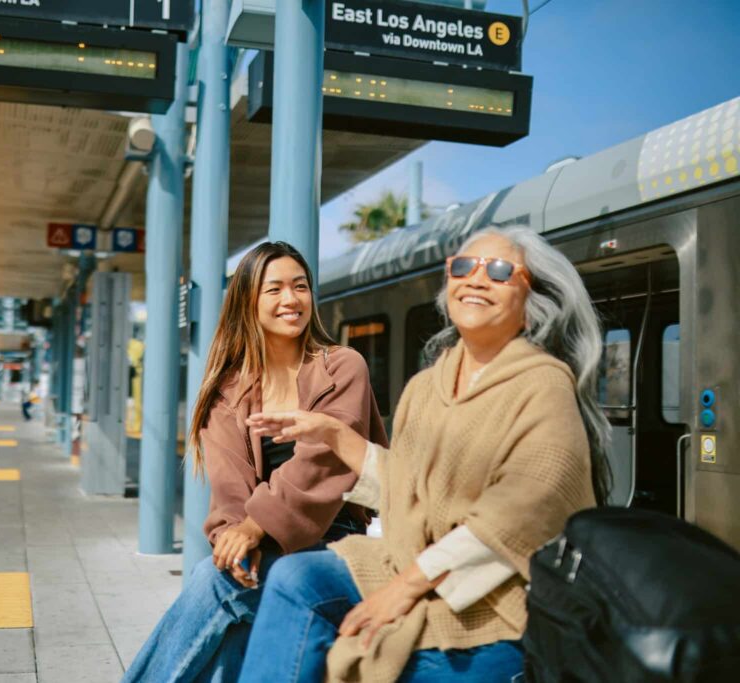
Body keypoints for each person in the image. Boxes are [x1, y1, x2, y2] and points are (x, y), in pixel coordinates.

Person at [239, 227, 612, 683]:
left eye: (498, 271)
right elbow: (412, 485)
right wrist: (334, 434)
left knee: (405, 663)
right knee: (295, 578)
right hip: (410, 560)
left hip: (495, 591)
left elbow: (521, 510)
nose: (476, 279)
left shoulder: (544, 383)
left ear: (530, 305)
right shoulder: (425, 387)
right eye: (463, 266)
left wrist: (404, 589)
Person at [122, 241, 388, 682]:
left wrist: (254, 526)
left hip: (335, 537)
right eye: (275, 289)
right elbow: (229, 489)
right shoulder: (227, 390)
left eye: (300, 287)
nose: (291, 299)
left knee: (215, 582)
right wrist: (234, 536)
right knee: (231, 586)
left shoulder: (342, 366)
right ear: (248, 300)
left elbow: (322, 462)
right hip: (264, 542)